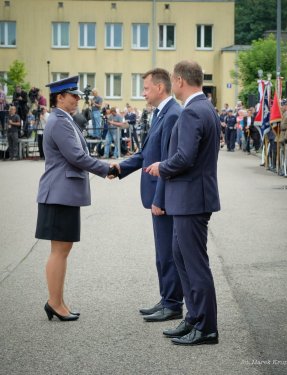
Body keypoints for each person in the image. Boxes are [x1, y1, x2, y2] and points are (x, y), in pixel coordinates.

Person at [146, 60, 220, 345]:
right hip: (191, 199)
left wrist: (161, 167)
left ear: (178, 81)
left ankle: (207, 327)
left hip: (191, 200)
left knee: (194, 264)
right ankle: (193, 317)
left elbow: (185, 157)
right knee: (182, 259)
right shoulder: (204, 107)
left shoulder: (192, 112)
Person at [35, 76, 117, 322]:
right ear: (60, 97)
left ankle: (58, 301)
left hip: (63, 194)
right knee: (59, 250)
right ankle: (54, 303)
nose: (78, 99)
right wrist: (106, 169)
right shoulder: (60, 122)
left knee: (62, 249)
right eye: (74, 95)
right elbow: (76, 156)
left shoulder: (64, 120)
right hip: (59, 194)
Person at [111, 68, 183, 322]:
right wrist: (120, 168)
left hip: (163, 197)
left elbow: (167, 161)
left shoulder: (173, 114)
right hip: (157, 194)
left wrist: (160, 199)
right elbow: (146, 154)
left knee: (168, 252)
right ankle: (167, 299)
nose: (143, 93)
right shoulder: (162, 113)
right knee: (162, 252)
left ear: (160, 88)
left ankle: (173, 304)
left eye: (146, 88)